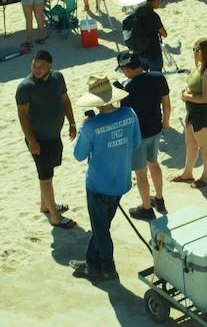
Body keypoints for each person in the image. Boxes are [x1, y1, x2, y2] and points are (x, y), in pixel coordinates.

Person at [70, 75, 140, 281]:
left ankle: (108, 267)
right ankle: (92, 263)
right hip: (121, 180)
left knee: (100, 229)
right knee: (102, 226)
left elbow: (79, 155)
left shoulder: (92, 125)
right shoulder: (129, 114)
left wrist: (85, 127)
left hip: (98, 184)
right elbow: (135, 143)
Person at [15, 51, 78, 230]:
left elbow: (65, 101)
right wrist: (32, 141)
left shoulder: (58, 78)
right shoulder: (25, 87)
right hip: (38, 140)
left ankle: (45, 205)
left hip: (54, 137)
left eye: (41, 66)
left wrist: (72, 123)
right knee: (45, 178)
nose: (37, 69)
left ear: (50, 65)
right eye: (34, 65)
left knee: (49, 172)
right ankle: (55, 217)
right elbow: (23, 116)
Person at [117, 53, 171, 220]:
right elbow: (166, 104)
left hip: (138, 135)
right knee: (154, 163)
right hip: (156, 129)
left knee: (141, 173)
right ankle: (159, 199)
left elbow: (125, 115)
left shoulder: (128, 89)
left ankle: (146, 208)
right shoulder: (158, 77)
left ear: (126, 69)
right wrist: (166, 123)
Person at [173, 37, 207, 189]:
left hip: (204, 112)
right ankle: (188, 173)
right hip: (193, 110)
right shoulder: (200, 66)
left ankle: (206, 176)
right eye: (193, 48)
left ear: (206, 52)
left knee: (205, 146)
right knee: (191, 144)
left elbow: (206, 98)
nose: (195, 52)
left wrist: (186, 96)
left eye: (197, 49)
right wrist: (186, 92)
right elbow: (194, 87)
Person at [125, 0, 167, 72]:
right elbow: (164, 34)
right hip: (153, 53)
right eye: (160, 0)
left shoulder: (137, 12)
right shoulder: (154, 16)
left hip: (139, 52)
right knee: (156, 78)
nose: (161, 3)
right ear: (154, 1)